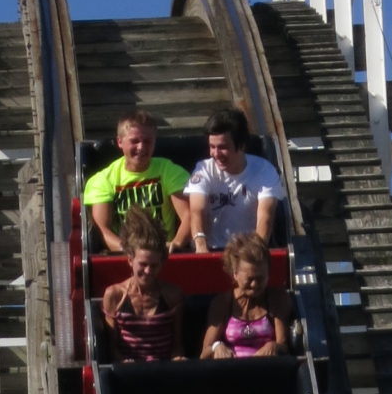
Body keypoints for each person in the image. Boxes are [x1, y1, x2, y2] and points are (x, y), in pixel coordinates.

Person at [84, 112, 190, 252]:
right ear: (120, 142)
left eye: (147, 141)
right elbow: (102, 230)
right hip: (123, 254)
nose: (141, 147)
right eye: (135, 141)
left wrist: (176, 243)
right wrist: (133, 252)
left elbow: (189, 215)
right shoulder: (103, 180)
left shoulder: (169, 171)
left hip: (164, 251)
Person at [184, 109, 287, 251]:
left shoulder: (264, 171)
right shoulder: (203, 170)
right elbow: (197, 210)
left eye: (222, 147)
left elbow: (266, 216)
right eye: (212, 147)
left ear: (242, 145)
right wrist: (201, 244)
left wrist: (256, 251)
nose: (215, 154)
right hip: (211, 249)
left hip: (247, 250)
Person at [99, 216, 184, 363]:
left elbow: (178, 344)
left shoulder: (172, 295)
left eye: (154, 266)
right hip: (129, 373)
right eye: (143, 264)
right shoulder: (115, 296)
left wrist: (177, 359)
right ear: (130, 260)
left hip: (164, 370)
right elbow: (112, 347)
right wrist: (124, 362)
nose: (148, 271)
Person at [201, 236, 291, 360]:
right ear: (235, 274)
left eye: (260, 278)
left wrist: (274, 346)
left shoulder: (277, 299)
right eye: (249, 279)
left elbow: (284, 347)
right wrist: (217, 347)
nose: (254, 284)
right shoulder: (222, 303)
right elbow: (204, 353)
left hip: (267, 369)